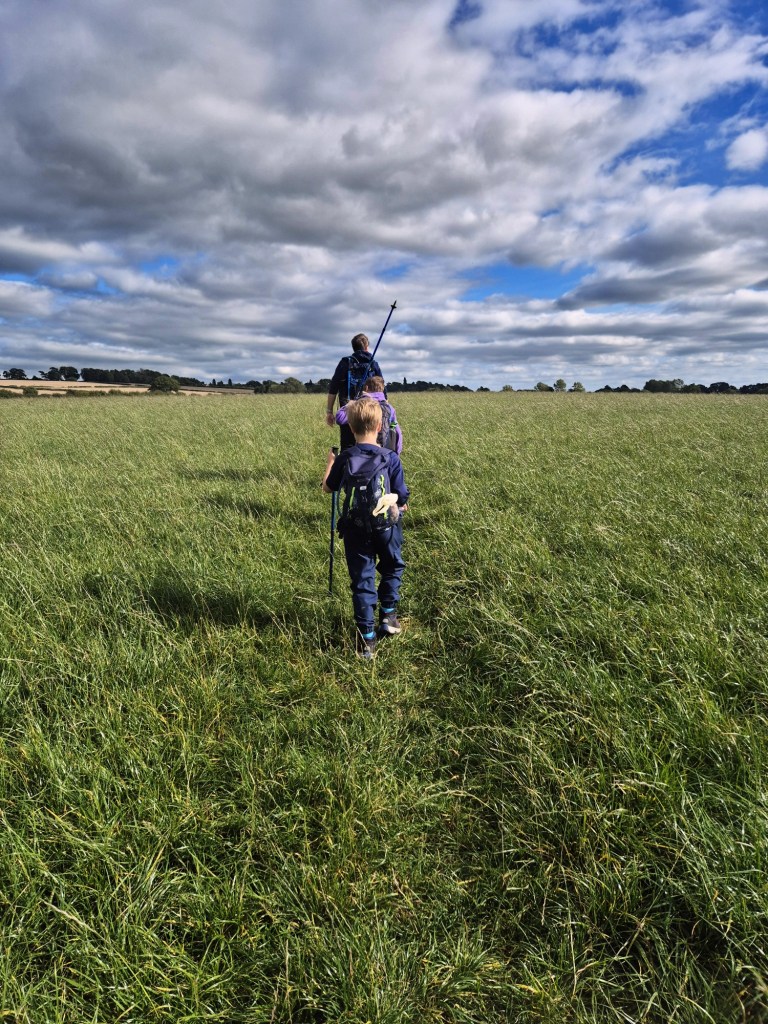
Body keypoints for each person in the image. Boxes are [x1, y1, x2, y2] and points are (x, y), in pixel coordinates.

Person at [322, 397, 409, 659]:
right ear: (380, 424)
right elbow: (402, 496)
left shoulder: (345, 457)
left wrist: (329, 462)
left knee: (362, 580)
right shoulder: (390, 457)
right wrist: (398, 502)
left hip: (355, 528)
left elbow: (328, 488)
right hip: (387, 526)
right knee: (392, 565)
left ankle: (366, 640)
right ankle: (389, 616)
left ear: (350, 427)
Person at [325, 333, 384, 450]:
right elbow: (383, 392)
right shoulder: (373, 364)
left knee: (348, 448)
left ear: (353, 347)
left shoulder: (345, 363)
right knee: (371, 447)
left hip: (349, 412)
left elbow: (333, 388)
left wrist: (329, 412)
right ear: (367, 346)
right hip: (370, 412)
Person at [334, 376, 403, 454]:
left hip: (360, 452)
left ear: (366, 388)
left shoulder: (361, 405)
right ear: (382, 389)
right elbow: (396, 430)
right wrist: (397, 452)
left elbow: (340, 418)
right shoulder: (390, 408)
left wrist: (350, 404)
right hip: (383, 453)